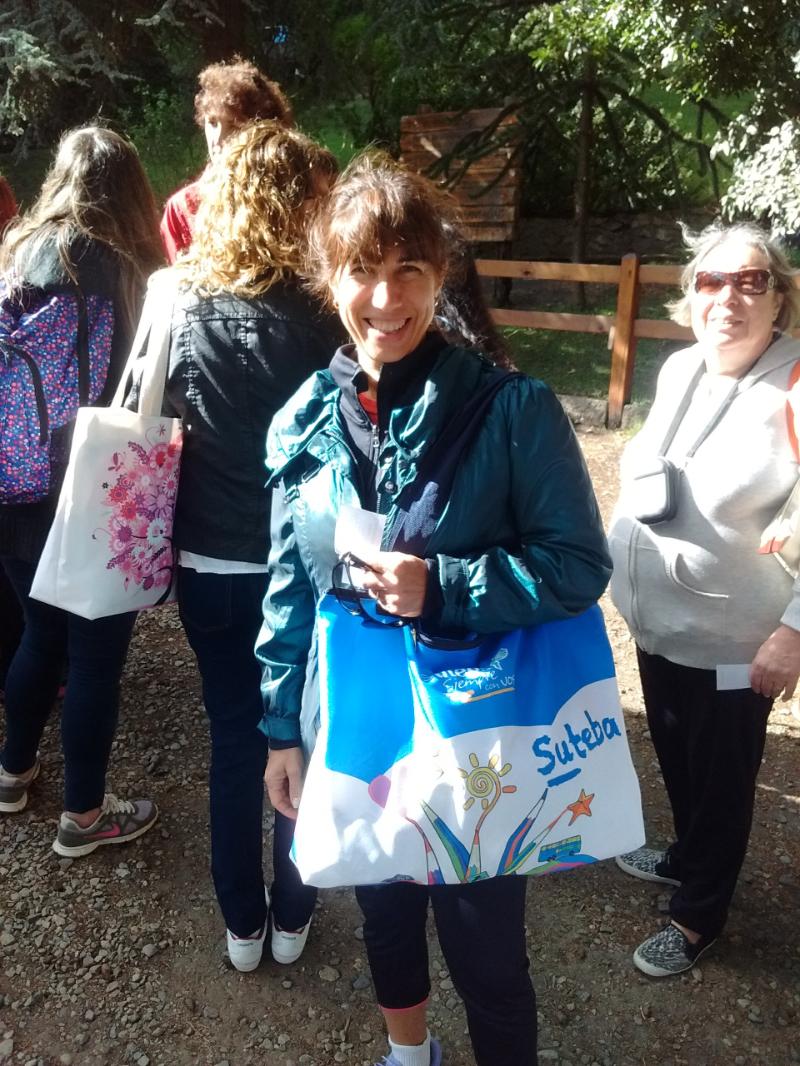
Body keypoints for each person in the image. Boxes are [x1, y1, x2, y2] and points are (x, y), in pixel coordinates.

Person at [256, 152, 611, 1066]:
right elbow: (289, 585)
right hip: (359, 723)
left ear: (440, 272)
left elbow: (578, 566)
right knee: (383, 909)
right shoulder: (304, 419)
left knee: (484, 942)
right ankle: (408, 1055)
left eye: (407, 268)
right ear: (329, 277)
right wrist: (281, 729)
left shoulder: (513, 411)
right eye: (360, 270)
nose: (385, 297)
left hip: (472, 729)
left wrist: (445, 586)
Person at [137, 121, 340, 972]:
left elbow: (147, 422)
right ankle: (294, 911)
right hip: (304, 564)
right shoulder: (328, 307)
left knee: (232, 739)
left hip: (210, 560)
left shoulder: (176, 295)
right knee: (303, 735)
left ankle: (242, 926)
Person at [609, 222, 800, 978]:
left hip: (735, 640)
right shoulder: (679, 367)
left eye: (752, 281)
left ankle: (699, 916)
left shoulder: (795, 385)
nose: (729, 297)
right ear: (690, 296)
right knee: (678, 754)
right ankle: (688, 855)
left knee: (721, 779)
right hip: (658, 624)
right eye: (712, 282)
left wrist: (794, 631)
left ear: (779, 299)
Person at [0, 126, 164, 854]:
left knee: (39, 633)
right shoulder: (126, 269)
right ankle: (85, 815)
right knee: (96, 655)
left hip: (12, 484)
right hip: (95, 484)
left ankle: (12, 772)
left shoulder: (13, 252)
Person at [160, 57, 293, 263]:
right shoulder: (183, 207)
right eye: (212, 123)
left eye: (233, 125)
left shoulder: (292, 194)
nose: (218, 139)